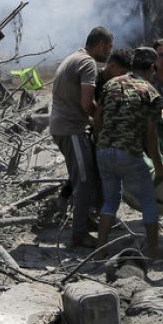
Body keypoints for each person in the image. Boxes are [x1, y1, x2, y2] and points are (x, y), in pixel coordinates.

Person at [94, 47, 163, 260]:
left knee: (110, 201)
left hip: (103, 152)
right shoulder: (150, 92)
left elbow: (98, 118)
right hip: (128, 153)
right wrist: (159, 164)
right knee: (148, 199)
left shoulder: (110, 84)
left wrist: (103, 141)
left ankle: (101, 250)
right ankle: (153, 250)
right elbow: (151, 135)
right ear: (152, 68)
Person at [50, 26, 113, 247]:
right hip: (72, 129)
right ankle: (79, 234)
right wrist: (102, 120)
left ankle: (85, 220)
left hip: (64, 126)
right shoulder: (87, 63)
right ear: (102, 45)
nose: (109, 52)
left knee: (84, 176)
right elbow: (87, 104)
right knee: (84, 181)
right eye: (109, 47)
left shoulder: (73, 57)